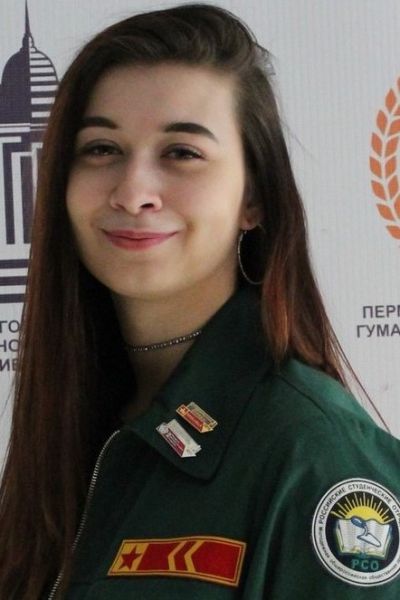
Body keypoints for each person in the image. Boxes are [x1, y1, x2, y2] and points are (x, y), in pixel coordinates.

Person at [0, 3, 399, 599]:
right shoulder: (78, 420)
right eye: (102, 148)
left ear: (253, 199)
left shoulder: (312, 454)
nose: (133, 191)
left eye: (182, 153)